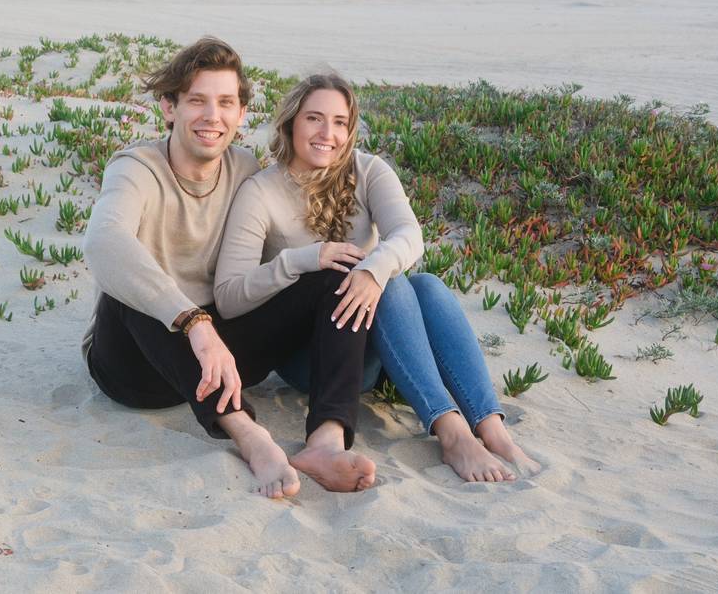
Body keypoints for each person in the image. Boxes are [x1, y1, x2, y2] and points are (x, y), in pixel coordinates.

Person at [83, 38, 376, 499]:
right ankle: (249, 434)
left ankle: (326, 439)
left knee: (333, 271)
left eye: (225, 103)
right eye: (196, 100)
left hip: (222, 358)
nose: (211, 117)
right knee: (132, 286)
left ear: (241, 115)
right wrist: (194, 323)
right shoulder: (137, 167)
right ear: (169, 107)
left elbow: (265, 270)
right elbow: (102, 240)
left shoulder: (244, 169)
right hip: (135, 365)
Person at [215, 72, 539, 483]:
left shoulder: (368, 171)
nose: (326, 133)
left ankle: (492, 427)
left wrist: (372, 269)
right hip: (316, 358)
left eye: (339, 122)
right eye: (314, 118)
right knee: (393, 284)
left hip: (389, 345)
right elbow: (228, 297)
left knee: (424, 285)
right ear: (291, 122)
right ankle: (453, 433)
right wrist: (301, 260)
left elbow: (409, 234)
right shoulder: (261, 192)